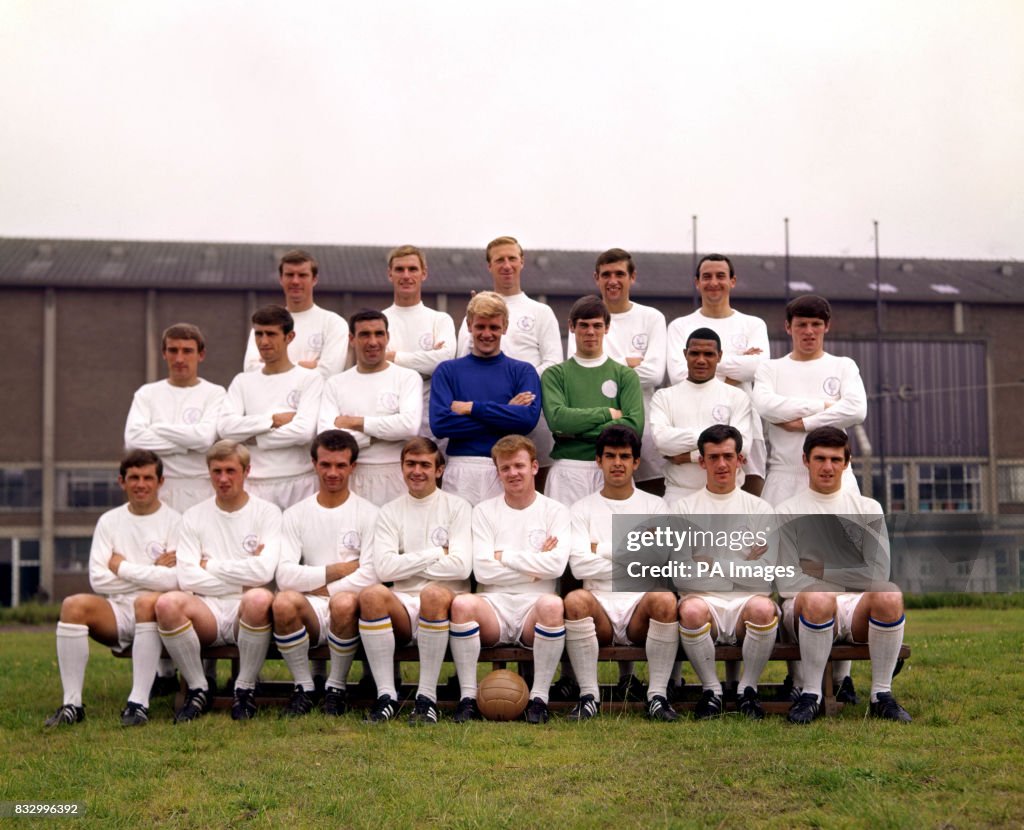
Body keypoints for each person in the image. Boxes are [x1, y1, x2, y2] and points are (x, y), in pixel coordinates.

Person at [775, 427, 910, 724]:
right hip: (803, 608)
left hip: (854, 608)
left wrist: (815, 570)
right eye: (820, 458)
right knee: (817, 597)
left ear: (846, 463)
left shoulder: (867, 508)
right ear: (805, 461)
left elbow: (877, 573)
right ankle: (811, 695)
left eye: (835, 459)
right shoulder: (786, 511)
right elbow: (787, 583)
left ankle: (881, 696)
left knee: (889, 593)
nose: (827, 467)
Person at [45, 450, 180, 728]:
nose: (140, 484)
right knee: (73, 605)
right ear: (122, 481)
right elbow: (98, 579)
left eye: (147, 478)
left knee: (149, 601)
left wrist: (121, 566)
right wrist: (154, 570)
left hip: (159, 614)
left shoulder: (176, 521)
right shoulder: (109, 521)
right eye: (133, 477)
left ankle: (138, 703)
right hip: (117, 610)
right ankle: (72, 704)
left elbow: (175, 581)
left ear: (160, 482)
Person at [448, 435, 571, 724]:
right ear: (497, 472)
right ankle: (467, 697)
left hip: (534, 607)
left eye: (519, 466)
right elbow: (483, 570)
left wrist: (503, 555)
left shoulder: (556, 511)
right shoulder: (484, 511)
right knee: (463, 604)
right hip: (493, 605)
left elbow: (556, 566)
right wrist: (533, 564)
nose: (513, 473)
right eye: (505, 468)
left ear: (535, 467)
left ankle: (539, 699)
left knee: (553, 606)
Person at [155, 440, 281, 722]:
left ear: (246, 471)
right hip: (207, 611)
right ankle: (199, 689)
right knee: (167, 603)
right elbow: (186, 576)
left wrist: (209, 565)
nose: (223, 479)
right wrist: (241, 580)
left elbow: (264, 574)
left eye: (230, 471)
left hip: (246, 610)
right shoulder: (194, 515)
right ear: (209, 473)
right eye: (216, 471)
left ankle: (244, 689)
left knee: (259, 597)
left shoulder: (267, 513)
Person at [563, 426, 679, 721]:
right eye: (611, 456)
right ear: (598, 461)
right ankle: (589, 696)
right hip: (598, 605)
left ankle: (657, 696)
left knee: (665, 600)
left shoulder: (655, 505)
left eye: (625, 456)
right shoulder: (581, 509)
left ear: (636, 462)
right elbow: (579, 566)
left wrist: (599, 547)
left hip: (640, 608)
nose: (618, 463)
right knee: (575, 600)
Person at [357, 437, 473, 724]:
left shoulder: (458, 507)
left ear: (439, 470)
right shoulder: (389, 511)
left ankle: (426, 697)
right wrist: (435, 554)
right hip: (403, 602)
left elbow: (460, 567)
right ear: (402, 467)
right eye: (410, 464)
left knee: (432, 593)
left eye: (425, 465)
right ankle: (387, 696)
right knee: (371, 595)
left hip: (446, 601)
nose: (417, 471)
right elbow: (384, 570)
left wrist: (406, 562)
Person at [672, 425, 779, 720]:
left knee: (763, 607)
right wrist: (742, 562)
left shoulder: (760, 509)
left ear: (740, 460)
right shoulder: (683, 508)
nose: (721, 464)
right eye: (714, 457)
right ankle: (712, 691)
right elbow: (681, 575)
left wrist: (712, 562)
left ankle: (748, 689)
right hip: (703, 602)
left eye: (728, 456)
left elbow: (766, 577)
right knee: (691, 610)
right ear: (701, 462)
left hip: (748, 602)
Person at [271, 430, 381, 717]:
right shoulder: (295, 514)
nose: (333, 472)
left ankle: (336, 687)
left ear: (353, 467)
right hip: (311, 607)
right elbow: (284, 576)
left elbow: (370, 574)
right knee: (283, 602)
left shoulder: (370, 513)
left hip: (348, 603)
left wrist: (322, 588)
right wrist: (336, 570)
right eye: (326, 464)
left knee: (343, 602)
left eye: (341, 465)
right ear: (314, 463)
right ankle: (304, 687)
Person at [666, 254, 770, 494]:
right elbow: (679, 375)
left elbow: (759, 368)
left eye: (720, 276)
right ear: (697, 283)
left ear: (732, 281)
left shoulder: (753, 324)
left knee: (748, 505)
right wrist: (738, 361)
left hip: (746, 426)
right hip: (693, 428)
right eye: (707, 277)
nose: (714, 282)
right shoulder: (680, 326)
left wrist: (707, 368)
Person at [456, 236, 563, 467]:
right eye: (499, 260)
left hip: (528, 417)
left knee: (532, 489)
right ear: (489, 266)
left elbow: (553, 364)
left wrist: (519, 393)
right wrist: (501, 404)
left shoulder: (540, 312)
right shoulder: (472, 312)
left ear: (522, 262)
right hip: (483, 424)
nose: (506, 265)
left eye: (512, 258)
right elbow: (462, 362)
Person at [751, 295, 867, 507]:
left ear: (827, 326)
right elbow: (765, 406)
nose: (809, 331)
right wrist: (824, 406)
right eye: (801, 324)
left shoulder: (844, 366)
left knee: (843, 540)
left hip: (836, 480)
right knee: (774, 541)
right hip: (784, 478)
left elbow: (857, 410)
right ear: (788, 327)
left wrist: (805, 424)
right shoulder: (770, 369)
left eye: (816, 324)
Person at [429, 291, 541, 503]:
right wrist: (505, 411)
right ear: (470, 325)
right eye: (480, 326)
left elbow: (527, 421)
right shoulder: (447, 371)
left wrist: (474, 408)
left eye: (494, 327)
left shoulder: (523, 371)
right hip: (461, 468)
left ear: (505, 327)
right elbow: (441, 425)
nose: (486, 333)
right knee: (460, 536)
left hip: (508, 467)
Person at [542, 295, 644, 506]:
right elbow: (557, 421)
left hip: (611, 470)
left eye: (597, 325)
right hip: (568, 470)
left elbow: (634, 428)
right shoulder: (555, 374)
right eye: (584, 325)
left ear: (607, 327)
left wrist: (574, 430)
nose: (590, 332)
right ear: (571, 326)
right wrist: (606, 414)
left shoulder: (625, 375)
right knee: (566, 538)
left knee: (615, 537)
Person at [219, 305, 323, 510]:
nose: (264, 341)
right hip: (255, 484)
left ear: (289, 337)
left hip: (300, 482)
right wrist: (272, 421)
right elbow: (225, 429)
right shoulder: (242, 381)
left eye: (271, 334)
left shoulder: (310, 379)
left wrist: (251, 437)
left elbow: (303, 432)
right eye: (259, 334)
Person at [318, 310, 423, 506]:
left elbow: (409, 427)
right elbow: (328, 439)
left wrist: (355, 422)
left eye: (379, 334)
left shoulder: (408, 377)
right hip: (353, 476)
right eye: (365, 334)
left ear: (387, 337)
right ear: (351, 339)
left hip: (395, 476)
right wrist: (376, 436)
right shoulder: (335, 383)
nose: (373, 342)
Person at [124, 323, 226, 513]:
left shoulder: (215, 393)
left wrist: (157, 427)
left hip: (201, 490)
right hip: (159, 491)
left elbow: (203, 439)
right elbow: (133, 441)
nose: (179, 358)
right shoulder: (146, 393)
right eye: (173, 350)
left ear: (201, 355)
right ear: (164, 353)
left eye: (187, 351)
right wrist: (186, 445)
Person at [650, 328, 754, 505]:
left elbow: (742, 448)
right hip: (679, 495)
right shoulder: (664, 397)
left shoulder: (737, 396)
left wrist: (687, 457)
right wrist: (718, 440)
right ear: (685, 354)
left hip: (727, 497)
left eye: (709, 354)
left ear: (719, 356)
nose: (701, 360)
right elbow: (661, 441)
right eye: (694, 353)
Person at [592, 248, 667, 486]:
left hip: (645, 433)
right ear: (597, 278)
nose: (612, 281)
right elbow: (585, 373)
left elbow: (654, 374)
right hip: (599, 432)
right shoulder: (587, 317)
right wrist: (628, 362)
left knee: (648, 515)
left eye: (619, 274)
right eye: (606, 275)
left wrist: (606, 363)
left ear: (632, 277)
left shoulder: (652, 317)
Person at [381, 245, 457, 437]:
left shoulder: (440, 319)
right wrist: (426, 364)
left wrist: (394, 357)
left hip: (432, 425)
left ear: (423, 273)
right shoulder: (379, 321)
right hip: (392, 418)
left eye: (412, 269)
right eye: (399, 269)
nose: (406, 275)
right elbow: (378, 367)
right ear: (390, 274)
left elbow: (444, 361)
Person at [242, 249, 348, 378]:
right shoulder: (265, 324)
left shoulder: (334, 323)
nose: (295, 281)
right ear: (281, 279)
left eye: (302, 275)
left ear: (314, 279)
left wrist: (272, 364)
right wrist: (310, 365)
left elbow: (328, 373)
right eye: (289, 275)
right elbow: (250, 370)